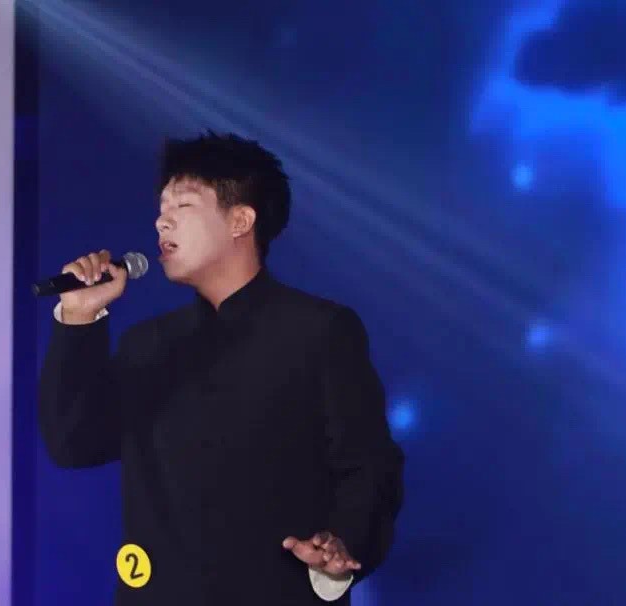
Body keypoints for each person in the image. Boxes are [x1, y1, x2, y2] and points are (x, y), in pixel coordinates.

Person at [38, 131, 404, 605]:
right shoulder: (148, 344)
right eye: (161, 208)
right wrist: (79, 319)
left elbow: (368, 466)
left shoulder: (318, 331)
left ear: (241, 221)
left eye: (183, 206)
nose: (162, 221)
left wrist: (342, 543)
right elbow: (73, 444)